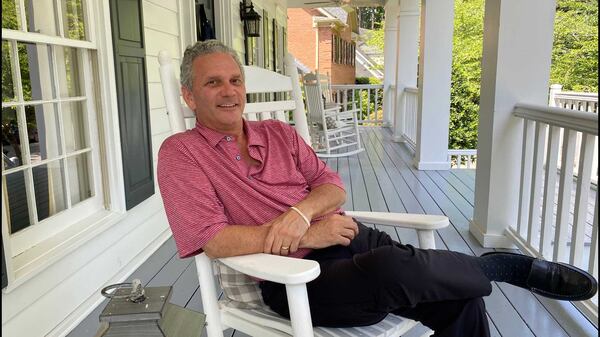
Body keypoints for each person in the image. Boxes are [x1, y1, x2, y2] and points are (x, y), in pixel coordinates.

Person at [157, 40, 597, 337]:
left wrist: (301, 213)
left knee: (459, 298)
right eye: (213, 83)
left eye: (235, 80)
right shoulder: (181, 153)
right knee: (393, 266)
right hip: (296, 279)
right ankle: (496, 268)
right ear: (190, 96)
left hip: (349, 238)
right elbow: (211, 239)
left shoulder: (278, 132)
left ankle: (480, 271)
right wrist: (307, 236)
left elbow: (331, 186)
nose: (229, 91)